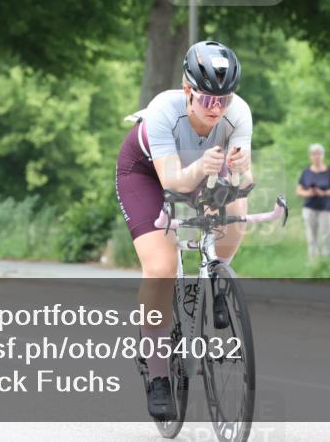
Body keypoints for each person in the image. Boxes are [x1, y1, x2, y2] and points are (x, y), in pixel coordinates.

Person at [115, 40, 252, 421]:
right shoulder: (163, 110)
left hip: (200, 168)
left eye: (224, 99)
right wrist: (207, 171)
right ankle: (157, 373)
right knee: (160, 268)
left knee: (236, 214)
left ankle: (215, 278)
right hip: (147, 173)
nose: (216, 108)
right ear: (187, 88)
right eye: (207, 98)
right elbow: (173, 182)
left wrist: (239, 172)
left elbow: (245, 178)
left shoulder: (238, 113)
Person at [296, 144, 330, 260]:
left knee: (326, 236)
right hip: (310, 207)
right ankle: (313, 262)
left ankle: (327, 262)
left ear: (323, 155)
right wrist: (309, 193)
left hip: (327, 207)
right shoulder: (306, 172)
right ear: (310, 156)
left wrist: (324, 193)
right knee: (311, 236)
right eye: (314, 154)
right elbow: (299, 190)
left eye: (319, 153)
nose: (317, 156)